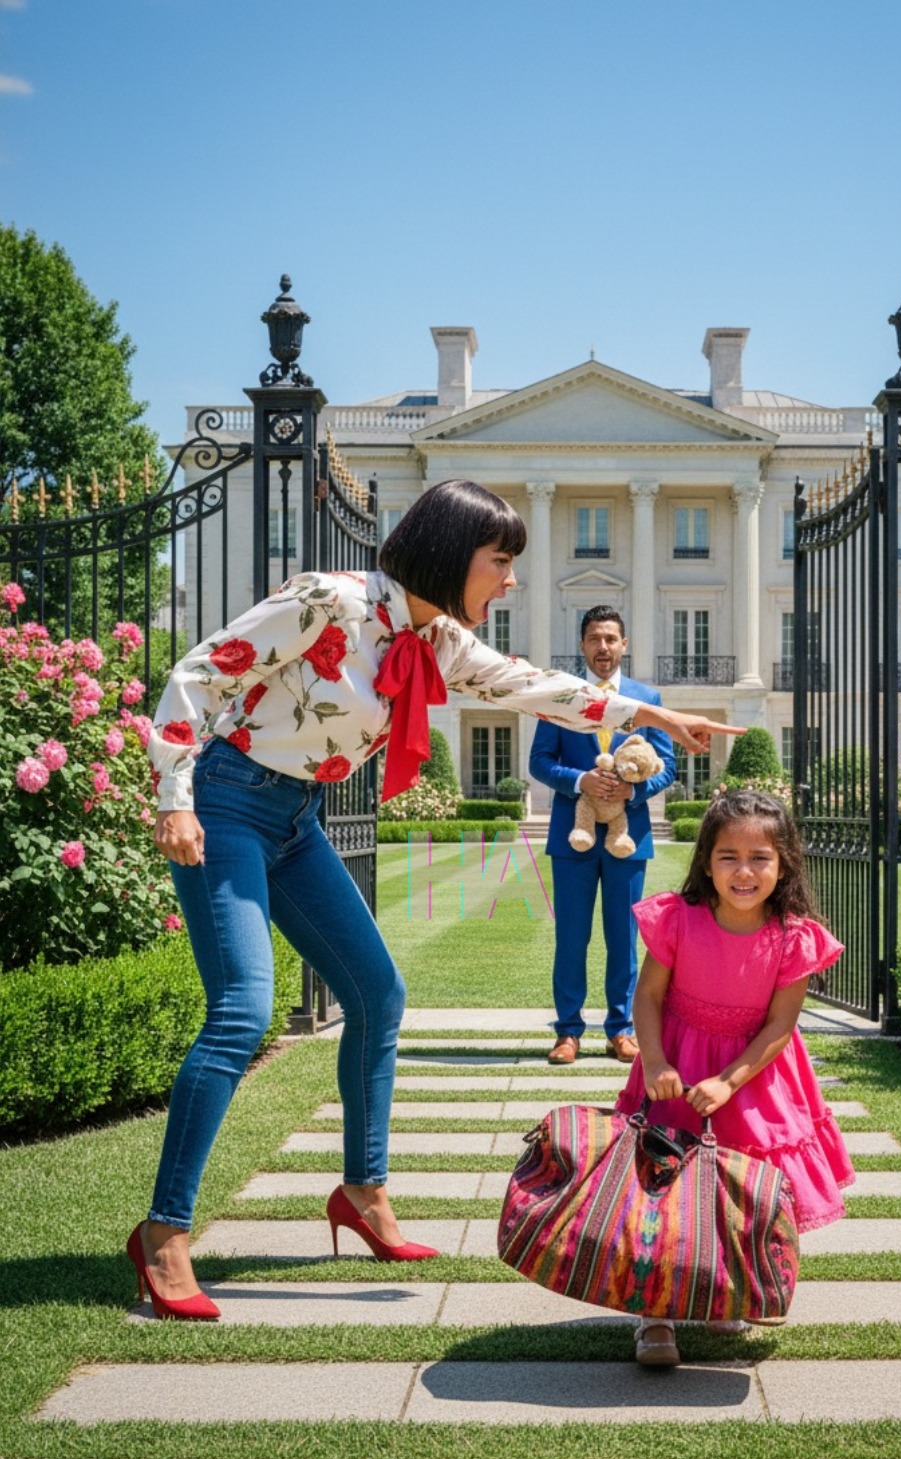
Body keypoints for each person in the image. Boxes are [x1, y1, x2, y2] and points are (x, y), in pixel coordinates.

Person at [130, 478, 740, 1321]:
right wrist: (175, 796)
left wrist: (653, 716)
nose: (512, 581)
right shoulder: (326, 601)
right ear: (455, 555)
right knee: (242, 1011)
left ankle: (363, 1193)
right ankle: (164, 1232)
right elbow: (198, 676)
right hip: (227, 803)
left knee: (378, 995)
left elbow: (531, 685)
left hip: (295, 819)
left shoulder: (439, 639)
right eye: (501, 562)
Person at [609, 787, 854, 1367]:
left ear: (784, 862)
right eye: (728, 857)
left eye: (759, 858)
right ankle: (655, 1316)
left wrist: (727, 1082)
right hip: (676, 1063)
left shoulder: (795, 935)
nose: (744, 871)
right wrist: (656, 1061)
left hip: (754, 1076)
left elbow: (780, 1027)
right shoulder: (678, 919)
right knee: (662, 1187)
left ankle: (725, 1292)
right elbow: (646, 997)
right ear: (706, 862)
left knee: (738, 1191)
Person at [529, 606, 676, 1064]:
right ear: (582, 645)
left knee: (623, 937)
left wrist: (635, 789)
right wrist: (579, 781)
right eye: (594, 638)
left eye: (611, 638)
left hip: (627, 837)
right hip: (573, 838)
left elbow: (667, 765)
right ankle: (568, 1032)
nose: (603, 647)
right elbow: (540, 761)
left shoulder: (645, 698)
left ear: (624, 644)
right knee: (571, 938)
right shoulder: (561, 698)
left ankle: (622, 1030)